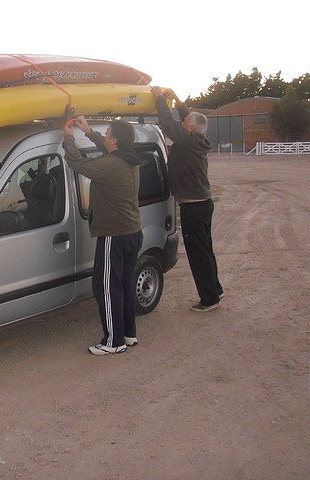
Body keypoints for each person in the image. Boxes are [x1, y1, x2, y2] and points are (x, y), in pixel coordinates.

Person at [62, 116, 143, 355]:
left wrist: (68, 137)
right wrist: (87, 130)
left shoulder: (111, 166)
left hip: (114, 237)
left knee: (106, 287)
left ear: (115, 139)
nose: (105, 135)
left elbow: (77, 164)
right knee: (125, 286)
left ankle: (113, 342)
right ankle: (128, 335)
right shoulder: (129, 159)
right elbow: (107, 152)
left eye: (107, 132)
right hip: (131, 232)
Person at [151, 86, 223, 312]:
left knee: (198, 254)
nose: (181, 125)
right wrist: (179, 102)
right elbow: (188, 120)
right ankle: (215, 289)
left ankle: (209, 299)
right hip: (202, 205)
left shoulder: (189, 141)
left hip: (194, 209)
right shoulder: (197, 140)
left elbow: (168, 123)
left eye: (185, 125)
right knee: (206, 250)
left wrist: (159, 98)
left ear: (190, 129)